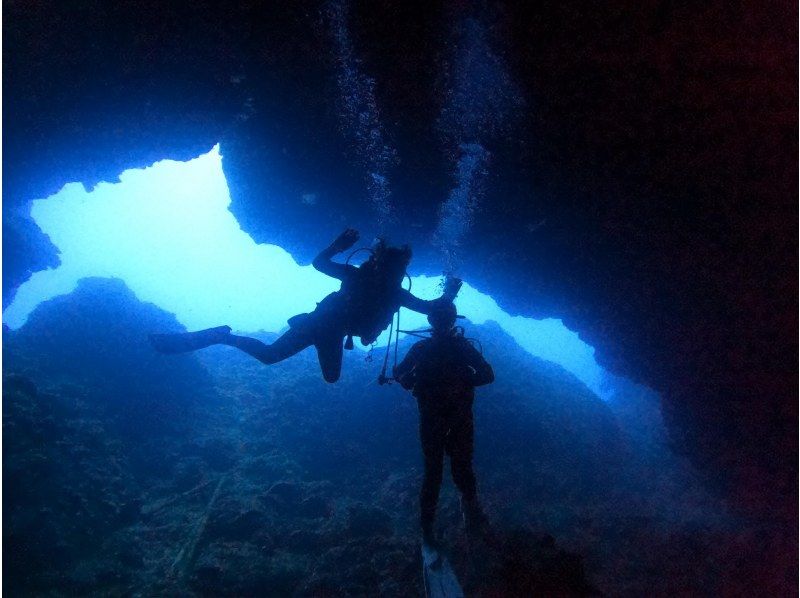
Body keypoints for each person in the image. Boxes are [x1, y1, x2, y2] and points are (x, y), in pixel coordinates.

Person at [150, 229, 461, 383]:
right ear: (394, 267)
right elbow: (432, 310)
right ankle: (222, 335)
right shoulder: (391, 291)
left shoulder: (369, 281)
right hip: (326, 327)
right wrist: (449, 294)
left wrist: (338, 246)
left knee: (283, 359)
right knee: (303, 367)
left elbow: (320, 262)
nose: (391, 273)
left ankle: (223, 335)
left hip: (322, 324)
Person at [393, 302, 494, 547]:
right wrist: (461, 381)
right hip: (458, 416)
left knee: (434, 472)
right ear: (452, 322)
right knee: (459, 468)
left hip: (434, 418)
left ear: (432, 323)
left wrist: (411, 382)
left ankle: (429, 528)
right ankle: (469, 513)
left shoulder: (422, 348)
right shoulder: (462, 347)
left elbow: (399, 372)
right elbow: (487, 375)